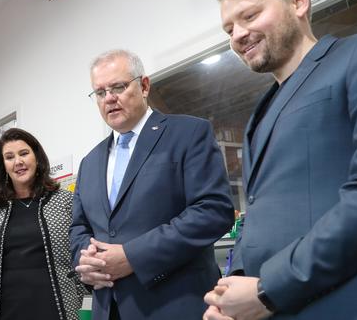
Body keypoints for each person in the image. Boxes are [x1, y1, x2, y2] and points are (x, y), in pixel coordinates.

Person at [203, 0, 357, 320]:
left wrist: (268, 289)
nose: (237, 36)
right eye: (229, 29)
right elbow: (255, 215)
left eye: (249, 16)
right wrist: (232, 290)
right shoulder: (260, 114)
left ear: (298, 2)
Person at [70, 49, 234, 319]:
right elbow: (79, 227)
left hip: (174, 305)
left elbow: (213, 210)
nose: (109, 98)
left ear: (144, 85)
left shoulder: (188, 133)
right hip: (109, 309)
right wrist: (85, 261)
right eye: (100, 92)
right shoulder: (90, 162)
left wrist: (133, 256)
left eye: (119, 87)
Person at [0, 128, 84, 320]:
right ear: (3, 165)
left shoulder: (64, 200)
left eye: (24, 153)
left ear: (36, 157)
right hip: (7, 308)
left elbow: (78, 254)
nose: (18, 162)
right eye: (9, 157)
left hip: (56, 307)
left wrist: (75, 297)